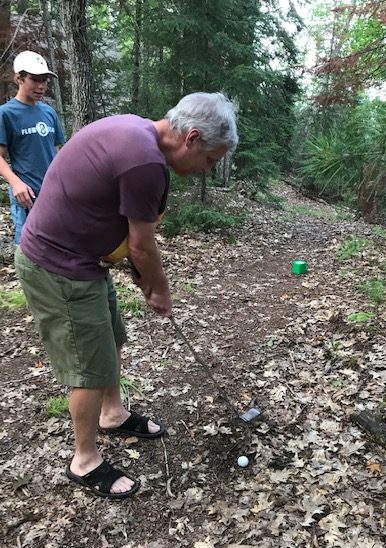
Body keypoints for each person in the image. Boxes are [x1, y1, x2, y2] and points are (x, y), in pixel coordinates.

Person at [15, 92, 238, 499]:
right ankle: (84, 461)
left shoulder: (138, 133)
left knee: (110, 339)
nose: (207, 169)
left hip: (85, 260)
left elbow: (120, 226)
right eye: (209, 160)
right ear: (190, 138)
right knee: (88, 365)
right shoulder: (145, 163)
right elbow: (141, 246)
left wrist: (142, 276)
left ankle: (113, 414)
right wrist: (160, 289)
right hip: (57, 264)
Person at [0, 50, 65, 244]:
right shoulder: (6, 114)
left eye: (44, 80)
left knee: (56, 244)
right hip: (26, 196)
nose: (41, 86)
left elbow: (60, 152)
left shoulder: (49, 113)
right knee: (27, 247)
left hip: (53, 193)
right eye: (35, 80)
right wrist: (16, 183)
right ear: (19, 78)